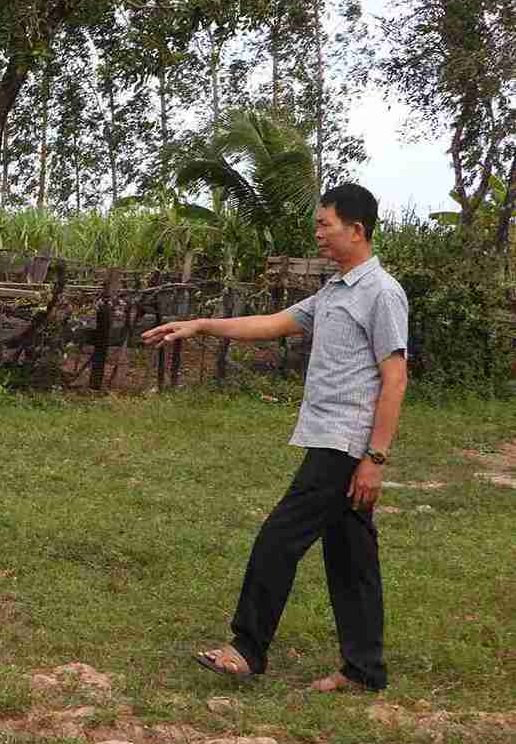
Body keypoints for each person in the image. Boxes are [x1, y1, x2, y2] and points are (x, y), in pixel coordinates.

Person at [142, 183, 408, 692]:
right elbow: (271, 324)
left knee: (279, 538)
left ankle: (248, 648)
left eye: (325, 224)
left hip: (345, 444)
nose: (318, 234)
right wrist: (199, 325)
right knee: (352, 557)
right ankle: (364, 670)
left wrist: (375, 457)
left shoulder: (382, 293)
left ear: (357, 229)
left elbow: (395, 377)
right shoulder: (334, 292)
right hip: (332, 438)